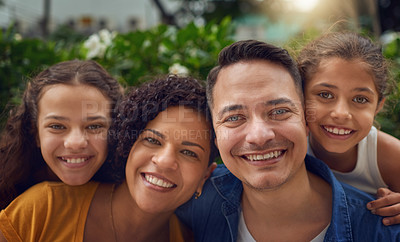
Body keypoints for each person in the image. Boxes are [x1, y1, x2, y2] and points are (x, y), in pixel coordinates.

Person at [176, 40, 400, 241]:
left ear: (304, 120)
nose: (259, 136)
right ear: (215, 136)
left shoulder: (383, 229)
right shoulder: (195, 198)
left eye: (279, 111)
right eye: (234, 118)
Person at [0, 75, 218, 241]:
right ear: (127, 145)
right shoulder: (43, 209)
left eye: (189, 152)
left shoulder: (189, 238)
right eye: (152, 140)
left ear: (204, 176)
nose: (164, 161)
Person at [297, 31, 400, 226]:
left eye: (360, 99)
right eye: (325, 95)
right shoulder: (290, 147)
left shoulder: (389, 156)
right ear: (300, 95)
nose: (341, 113)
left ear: (378, 106)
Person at [0, 60, 124, 209]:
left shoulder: (129, 191)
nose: (75, 143)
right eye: (57, 126)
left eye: (94, 126)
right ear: (35, 133)